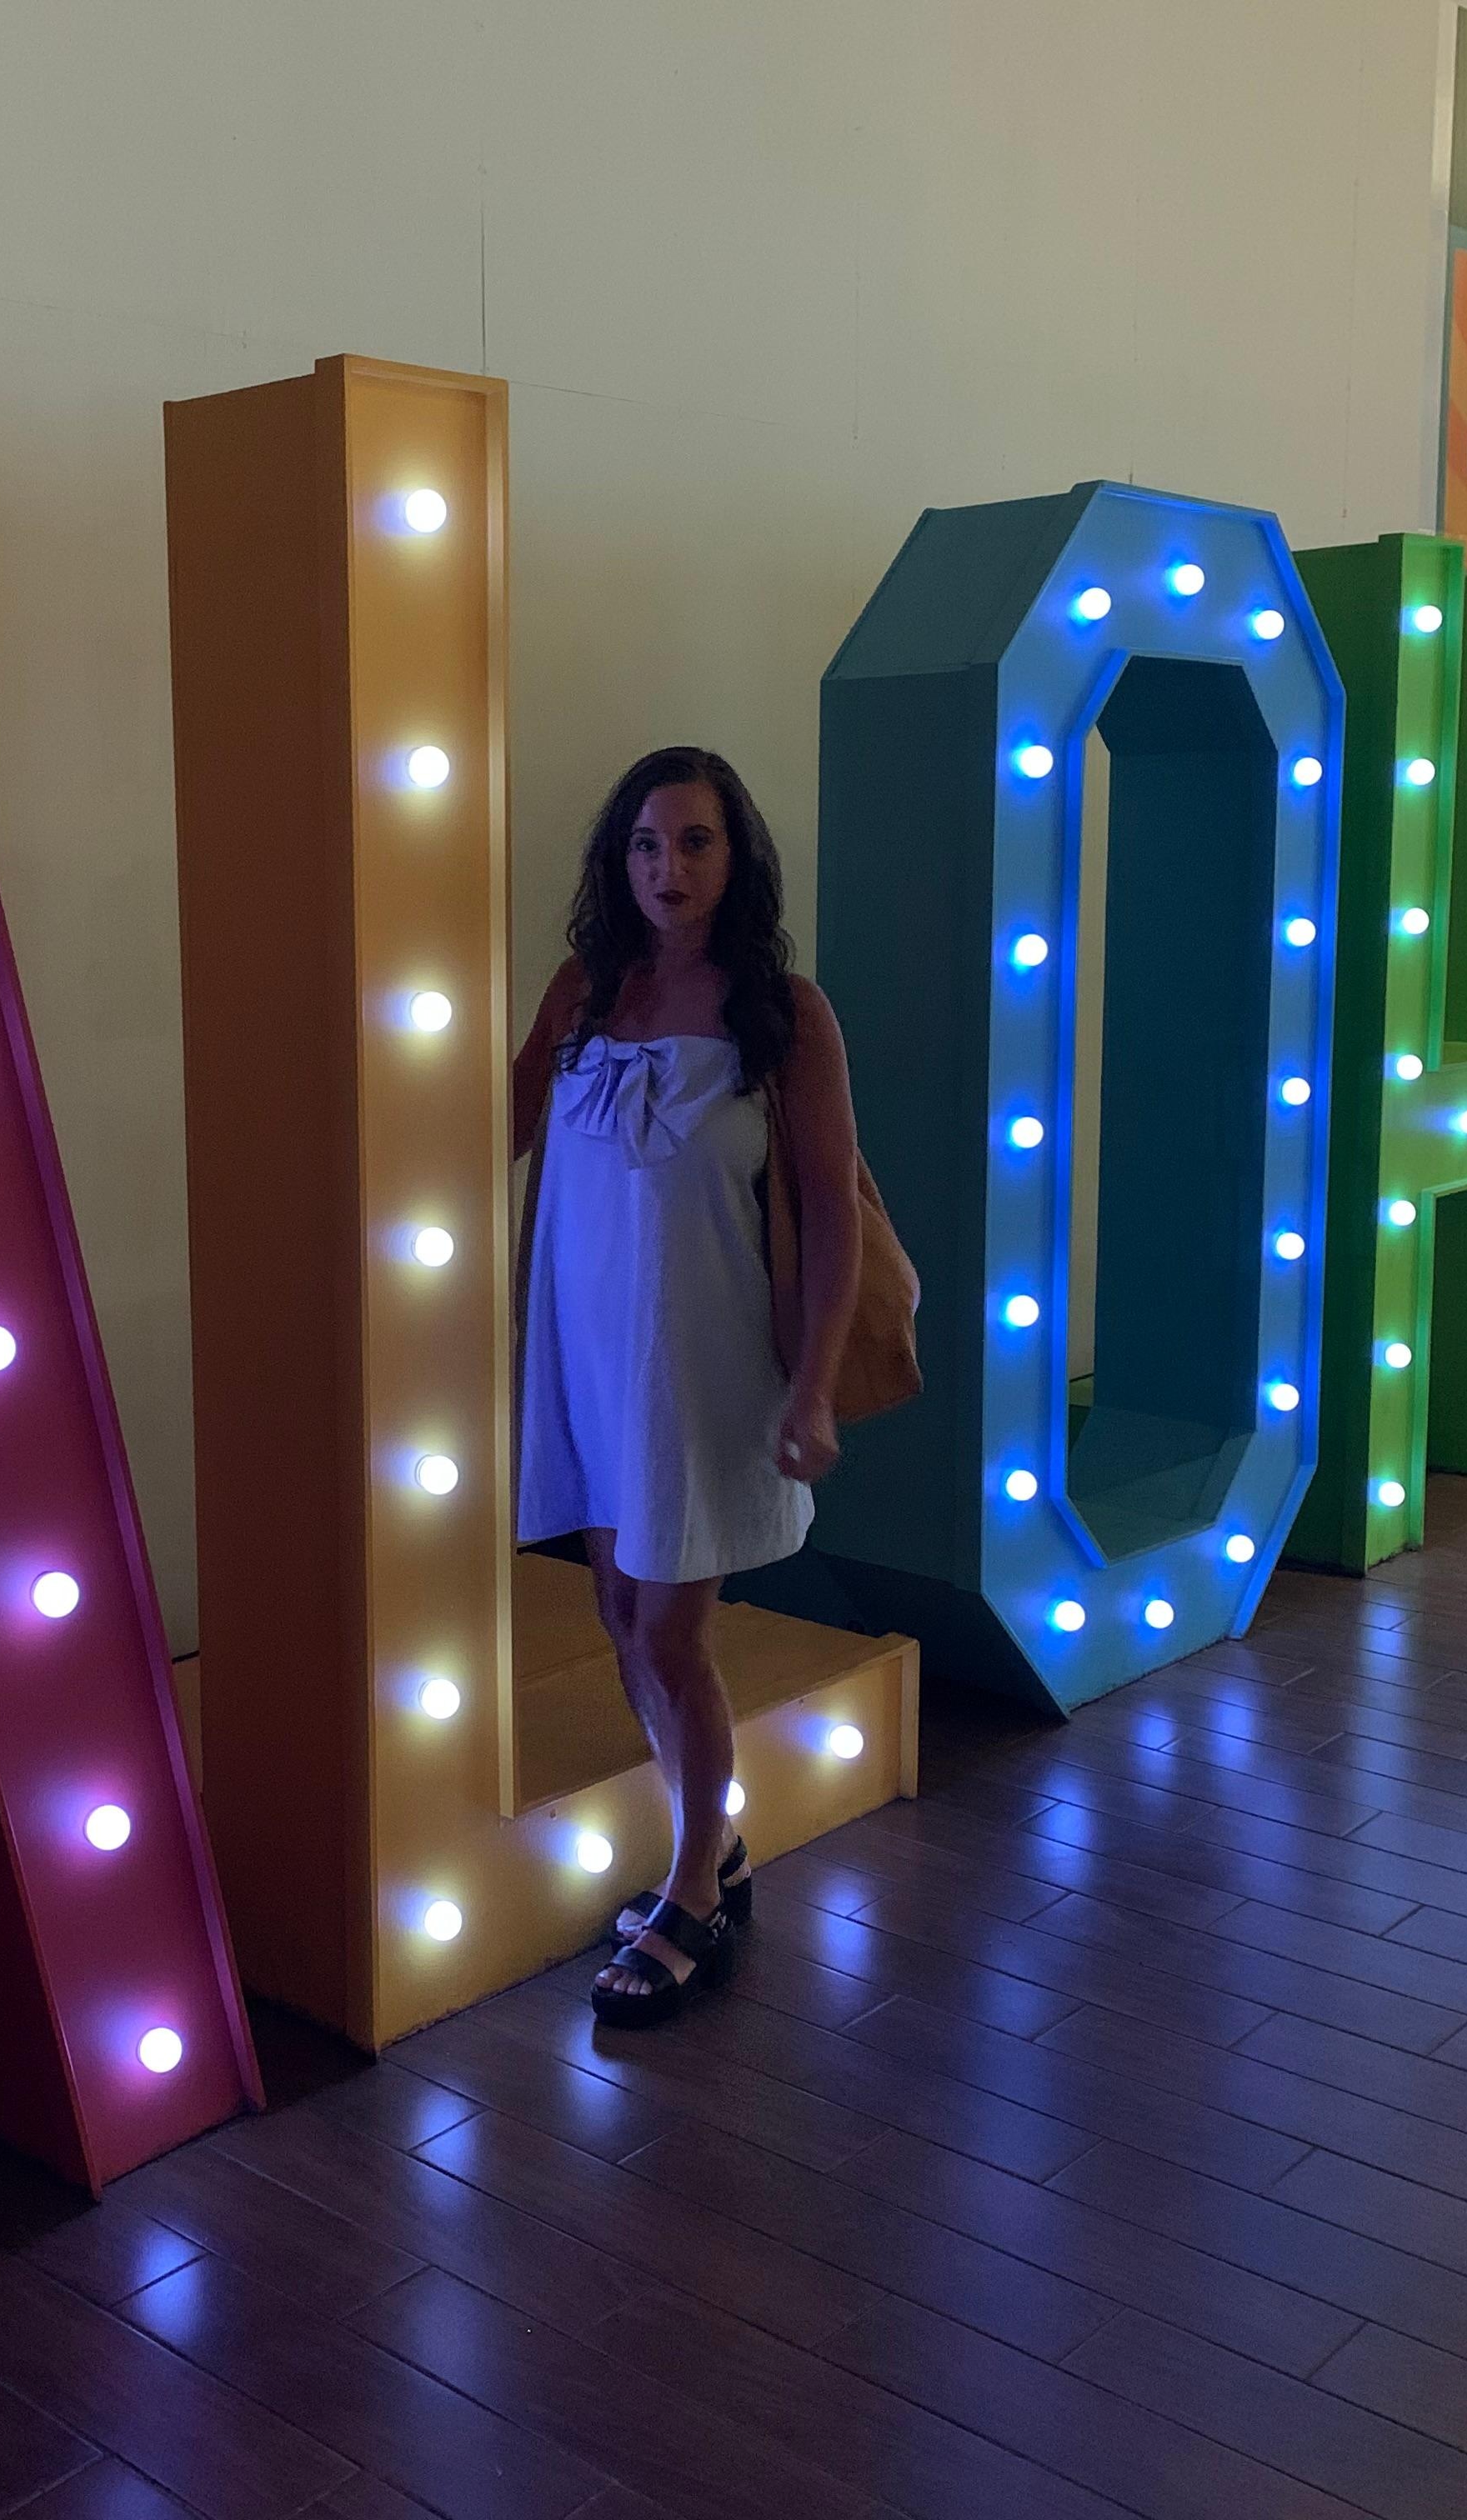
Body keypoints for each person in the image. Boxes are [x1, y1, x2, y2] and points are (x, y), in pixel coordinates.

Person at [513, 746, 861, 2027]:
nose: (669, 868)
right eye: (648, 844)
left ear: (737, 855)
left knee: (669, 1631)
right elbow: (493, 1130)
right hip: (587, 1356)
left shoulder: (784, 1013)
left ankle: (695, 1899)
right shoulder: (583, 990)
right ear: (619, 860)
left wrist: (812, 1388)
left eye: (696, 841)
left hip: (702, 1366)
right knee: (619, 1612)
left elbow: (835, 1215)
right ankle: (708, 1845)